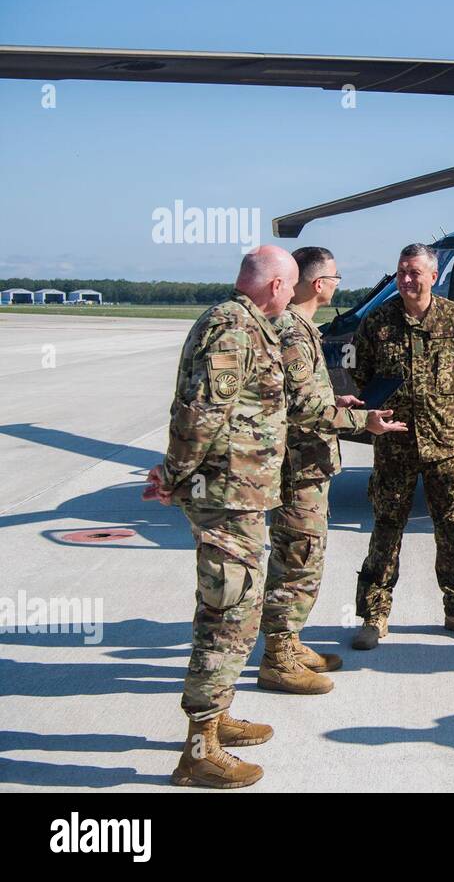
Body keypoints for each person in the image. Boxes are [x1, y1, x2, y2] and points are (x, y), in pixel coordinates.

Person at [144, 245, 297, 789]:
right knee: (228, 612)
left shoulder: (239, 322)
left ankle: (218, 715)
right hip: (227, 496)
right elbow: (202, 411)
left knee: (235, 605)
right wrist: (175, 474)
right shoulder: (235, 329)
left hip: (241, 494)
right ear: (276, 286)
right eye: (291, 286)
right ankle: (198, 749)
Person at [258, 246, 406, 694]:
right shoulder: (293, 332)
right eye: (336, 278)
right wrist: (366, 422)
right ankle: (278, 657)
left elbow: (300, 399)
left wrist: (335, 402)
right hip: (298, 470)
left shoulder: (301, 329)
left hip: (306, 465)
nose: (337, 285)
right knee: (297, 560)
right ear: (320, 284)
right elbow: (305, 409)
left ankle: (289, 642)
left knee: (303, 558)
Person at [350, 243, 454, 649]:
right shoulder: (377, 323)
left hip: (446, 445)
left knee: (452, 529)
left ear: (434, 276)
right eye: (401, 273)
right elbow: (361, 378)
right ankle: (374, 615)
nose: (407, 280)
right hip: (395, 445)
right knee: (386, 527)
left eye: (415, 272)